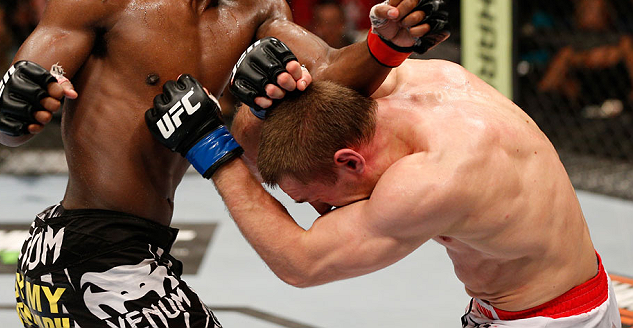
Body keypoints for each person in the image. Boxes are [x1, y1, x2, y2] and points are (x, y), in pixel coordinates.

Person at [0, 0, 448, 328]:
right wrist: (10, 108)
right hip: (90, 252)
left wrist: (387, 43)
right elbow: (10, 113)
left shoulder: (257, 10)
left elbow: (328, 69)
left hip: (135, 252)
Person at [149, 58, 621, 327]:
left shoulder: (432, 181)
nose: (323, 211)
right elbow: (319, 78)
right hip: (543, 295)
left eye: (320, 198)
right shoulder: (425, 80)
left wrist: (208, 147)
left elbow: (302, 262)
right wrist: (274, 76)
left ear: (349, 161)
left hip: (550, 320)